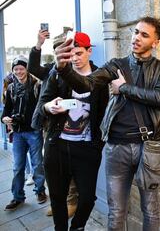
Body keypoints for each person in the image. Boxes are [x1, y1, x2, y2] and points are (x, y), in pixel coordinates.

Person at [54, 16, 160, 230]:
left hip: (149, 148)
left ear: (155, 42)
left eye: (144, 35)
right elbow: (86, 84)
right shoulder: (116, 65)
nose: (136, 37)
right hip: (116, 148)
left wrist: (124, 88)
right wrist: (64, 69)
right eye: (136, 32)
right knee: (116, 212)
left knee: (151, 211)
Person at [35, 32, 109, 230]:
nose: (75, 58)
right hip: (57, 146)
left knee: (87, 198)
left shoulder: (99, 78)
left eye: (79, 53)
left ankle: (77, 227)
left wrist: (97, 146)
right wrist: (49, 107)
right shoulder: (57, 74)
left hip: (86, 149)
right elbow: (42, 105)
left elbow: (102, 114)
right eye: (70, 55)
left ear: (89, 51)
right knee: (58, 198)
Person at [28, 28, 79, 217]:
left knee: (70, 165)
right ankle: (57, 201)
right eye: (58, 48)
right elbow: (33, 69)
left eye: (65, 47)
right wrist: (38, 45)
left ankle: (71, 201)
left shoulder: (77, 67)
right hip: (51, 125)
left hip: (73, 125)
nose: (63, 52)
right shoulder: (50, 69)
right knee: (52, 165)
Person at [1, 56, 47, 211]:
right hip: (18, 133)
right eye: (15, 69)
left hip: (34, 131)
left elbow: (42, 107)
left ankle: (40, 191)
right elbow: (6, 110)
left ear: (26, 69)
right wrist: (4, 118)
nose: (18, 71)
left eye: (21, 68)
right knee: (17, 166)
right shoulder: (11, 89)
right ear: (13, 71)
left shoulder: (36, 86)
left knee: (37, 165)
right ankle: (18, 197)